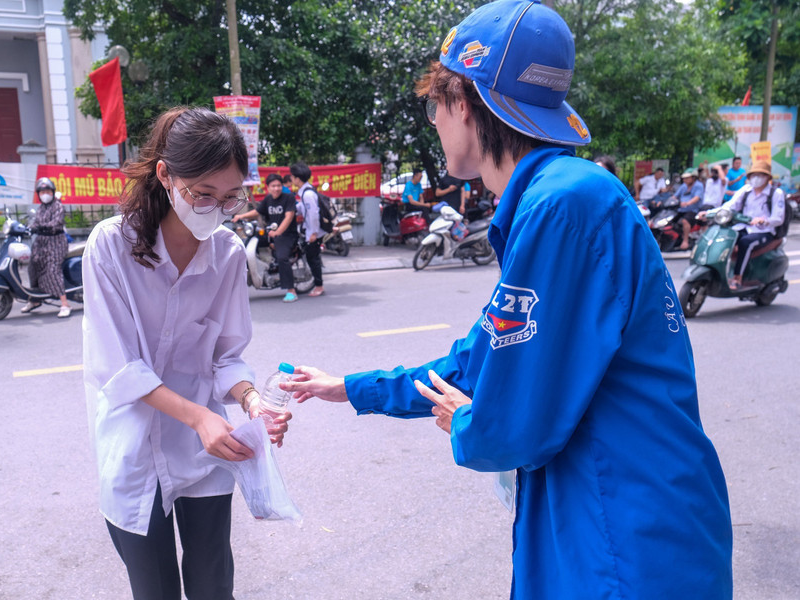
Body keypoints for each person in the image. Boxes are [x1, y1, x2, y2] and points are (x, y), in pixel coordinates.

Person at [283, 2, 732, 598]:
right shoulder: (561, 196)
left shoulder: (561, 206)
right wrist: (348, 387)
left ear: (462, 104)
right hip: (609, 507)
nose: (434, 122)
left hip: (621, 528)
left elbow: (514, 424)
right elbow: (479, 360)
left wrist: (465, 423)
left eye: (433, 106)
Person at [81, 106, 291, 600]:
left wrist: (251, 402)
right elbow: (120, 367)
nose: (216, 208)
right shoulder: (110, 246)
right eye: (203, 194)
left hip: (206, 449)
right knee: (155, 590)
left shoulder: (228, 254)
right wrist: (200, 417)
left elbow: (226, 356)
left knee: (213, 584)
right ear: (166, 175)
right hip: (134, 446)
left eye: (230, 197)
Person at [708, 160, 785, 289]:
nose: (757, 178)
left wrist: (764, 220)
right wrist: (708, 212)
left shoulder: (776, 193)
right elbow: (730, 206)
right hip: (743, 227)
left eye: (761, 175)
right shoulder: (746, 190)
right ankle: (722, 272)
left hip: (764, 231)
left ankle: (738, 277)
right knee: (724, 237)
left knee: (745, 243)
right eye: (754, 175)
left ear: (767, 177)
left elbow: (778, 218)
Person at [232, 173, 299, 302]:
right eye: (273, 186)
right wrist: (241, 216)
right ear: (268, 187)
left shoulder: (288, 197)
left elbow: (289, 216)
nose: (276, 188)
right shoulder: (268, 199)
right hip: (271, 234)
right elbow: (258, 212)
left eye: (278, 185)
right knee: (247, 244)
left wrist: (278, 231)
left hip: (287, 235)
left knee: (282, 257)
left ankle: (291, 290)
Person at [21, 178, 73, 318]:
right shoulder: (41, 209)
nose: (45, 194)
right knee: (33, 267)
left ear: (52, 192)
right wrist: (25, 229)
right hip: (41, 242)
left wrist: (40, 227)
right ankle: (35, 300)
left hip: (56, 242)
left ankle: (64, 304)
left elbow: (56, 222)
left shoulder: (58, 206)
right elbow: (35, 222)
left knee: (52, 269)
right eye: (42, 192)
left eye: (47, 191)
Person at [290, 161, 325, 297]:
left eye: (292, 177)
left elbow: (313, 214)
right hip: (310, 231)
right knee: (312, 258)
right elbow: (303, 209)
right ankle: (318, 284)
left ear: (297, 179)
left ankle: (319, 286)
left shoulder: (307, 194)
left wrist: (314, 233)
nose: (291, 179)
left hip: (313, 232)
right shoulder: (305, 192)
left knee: (313, 259)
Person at [673, 169, 704, 249]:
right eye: (684, 178)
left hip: (693, 210)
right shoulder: (683, 186)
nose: (685, 180)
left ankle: (685, 241)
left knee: (685, 221)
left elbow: (697, 198)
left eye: (687, 178)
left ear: (693, 178)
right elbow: (675, 196)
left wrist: (687, 203)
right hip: (681, 209)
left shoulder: (698, 185)